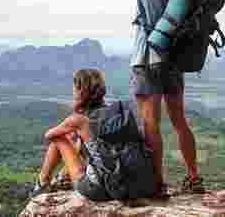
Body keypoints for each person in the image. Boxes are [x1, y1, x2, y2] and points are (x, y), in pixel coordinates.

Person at [101, 0, 205, 196]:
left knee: (150, 123)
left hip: (147, 59)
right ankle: (194, 178)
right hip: (174, 59)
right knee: (180, 121)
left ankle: (158, 184)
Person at [29, 69, 156, 201]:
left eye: (74, 88)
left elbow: (49, 135)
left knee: (59, 139)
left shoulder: (78, 120)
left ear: (80, 91)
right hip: (135, 184)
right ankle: (61, 178)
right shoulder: (115, 113)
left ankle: (42, 184)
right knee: (84, 142)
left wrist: (70, 123)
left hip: (101, 189)